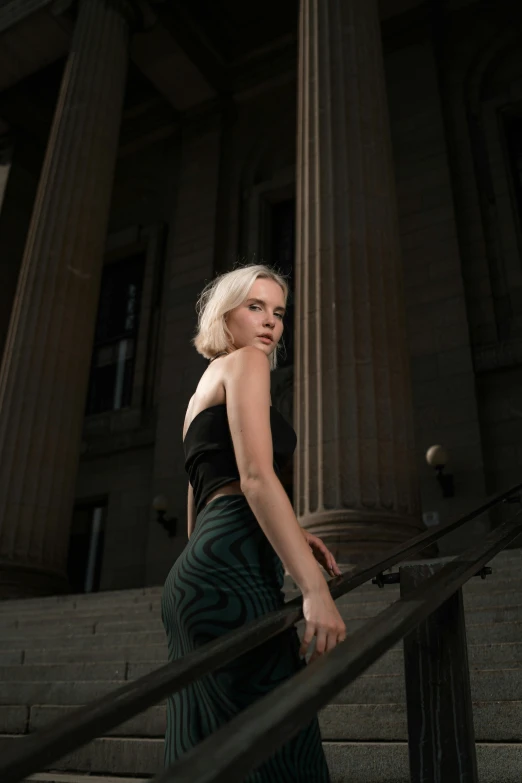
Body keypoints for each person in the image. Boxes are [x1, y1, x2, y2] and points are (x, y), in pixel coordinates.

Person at [161, 263, 346, 781]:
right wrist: (314, 591)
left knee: (204, 751)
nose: (270, 323)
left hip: (193, 579)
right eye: (256, 307)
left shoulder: (200, 393)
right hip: (233, 574)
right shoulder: (248, 364)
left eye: (279, 313)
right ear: (227, 315)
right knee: (281, 751)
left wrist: (289, 530)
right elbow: (256, 479)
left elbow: (203, 504)